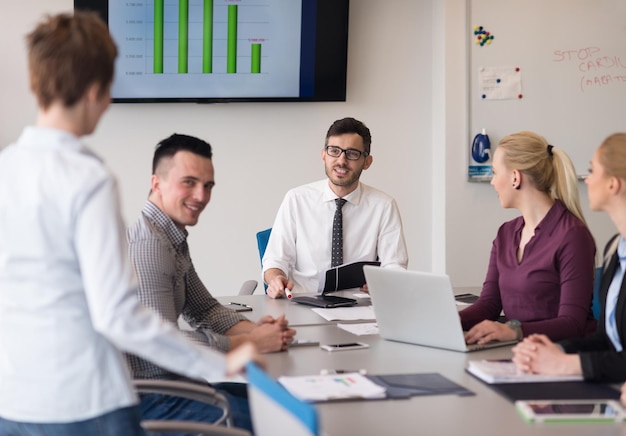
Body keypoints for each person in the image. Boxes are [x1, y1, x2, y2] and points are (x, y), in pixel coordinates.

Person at [0, 11, 260, 436]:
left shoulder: (5, 168)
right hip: (86, 402)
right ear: (96, 91)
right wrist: (222, 361)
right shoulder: (88, 179)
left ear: (36, 82)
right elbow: (117, 315)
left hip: (13, 401)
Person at [126, 133, 296, 430]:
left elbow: (204, 310)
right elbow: (164, 348)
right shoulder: (148, 246)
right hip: (157, 399)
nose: (202, 196)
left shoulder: (169, 236)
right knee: (285, 420)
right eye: (189, 182)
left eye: (208, 186)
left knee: (287, 400)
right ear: (157, 183)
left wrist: (262, 331)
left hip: (180, 387)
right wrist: (250, 342)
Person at [461, 131, 597, 346]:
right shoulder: (505, 234)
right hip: (519, 352)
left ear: (515, 177)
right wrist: (446, 321)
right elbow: (489, 305)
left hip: (563, 356)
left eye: (495, 173)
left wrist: (513, 331)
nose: (492, 182)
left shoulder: (573, 236)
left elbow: (573, 323)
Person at [512, 133, 626, 383]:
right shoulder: (615, 249)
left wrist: (567, 364)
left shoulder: (575, 235)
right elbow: (607, 340)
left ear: (613, 184)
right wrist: (556, 351)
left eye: (592, 171)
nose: (586, 180)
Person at [262, 117, 409, 298]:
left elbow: (395, 265)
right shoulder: (296, 199)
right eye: (334, 151)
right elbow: (275, 260)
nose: (341, 160)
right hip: (304, 300)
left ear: (367, 161)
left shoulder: (384, 206)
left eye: (352, 153)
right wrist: (276, 278)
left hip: (359, 306)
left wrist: (386, 281)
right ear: (323, 155)